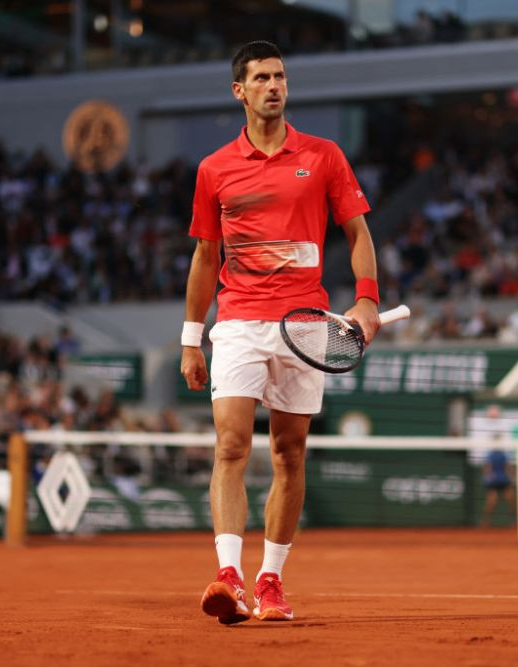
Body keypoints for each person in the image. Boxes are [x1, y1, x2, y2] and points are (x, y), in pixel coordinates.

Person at [180, 41, 380, 625]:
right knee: (230, 445)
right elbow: (203, 256)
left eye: (281, 76)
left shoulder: (323, 156)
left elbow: (358, 233)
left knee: (290, 453)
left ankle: (270, 581)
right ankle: (228, 576)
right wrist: (192, 337)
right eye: (262, 77)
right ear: (239, 91)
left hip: (306, 325)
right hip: (238, 320)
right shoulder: (213, 168)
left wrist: (367, 300)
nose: (274, 85)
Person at [479, 405, 514, 528]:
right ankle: (485, 521)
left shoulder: (504, 454)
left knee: (510, 498)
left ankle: (514, 521)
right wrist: (488, 477)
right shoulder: (490, 454)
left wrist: (512, 476)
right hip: (494, 481)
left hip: (504, 480)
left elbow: (508, 466)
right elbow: (487, 467)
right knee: (491, 501)